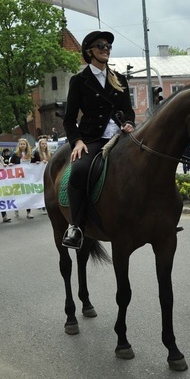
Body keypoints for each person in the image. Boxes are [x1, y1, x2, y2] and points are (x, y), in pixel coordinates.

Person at [61, 30, 136, 249]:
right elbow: (68, 119)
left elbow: (128, 110)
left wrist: (129, 123)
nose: (106, 50)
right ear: (90, 51)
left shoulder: (118, 78)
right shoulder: (79, 81)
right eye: (101, 46)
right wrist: (77, 141)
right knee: (80, 170)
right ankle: (75, 226)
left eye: (108, 47)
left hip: (120, 136)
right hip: (92, 139)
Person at [10, 138, 35, 219]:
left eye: (24, 144)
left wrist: (37, 163)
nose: (22, 145)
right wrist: (10, 164)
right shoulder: (15, 155)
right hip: (18, 178)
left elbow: (35, 163)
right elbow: (12, 163)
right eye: (21, 144)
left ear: (26, 145)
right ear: (19, 145)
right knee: (19, 195)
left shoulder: (31, 154)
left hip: (28, 178)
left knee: (28, 194)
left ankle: (28, 212)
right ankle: (17, 208)